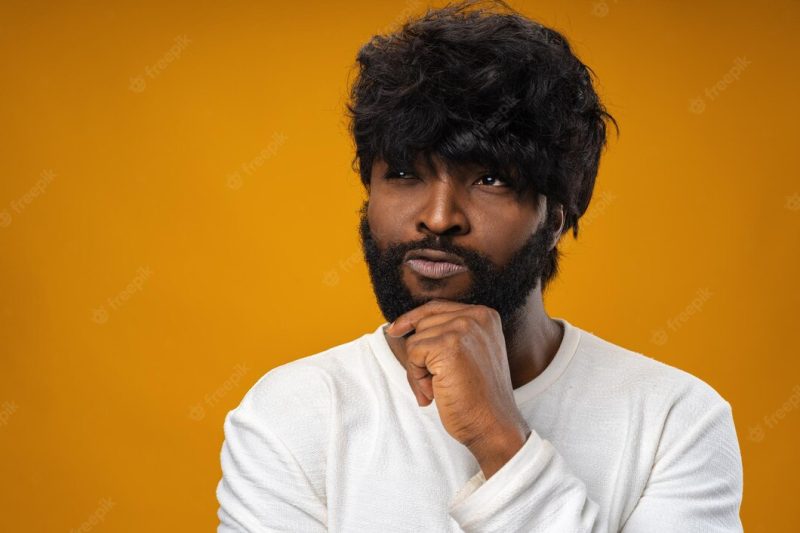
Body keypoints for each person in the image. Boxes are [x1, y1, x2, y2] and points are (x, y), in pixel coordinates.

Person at [216, 1, 744, 531]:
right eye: (404, 173)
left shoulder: (676, 420)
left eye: (490, 179)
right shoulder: (290, 412)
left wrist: (498, 438)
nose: (438, 218)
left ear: (555, 216)